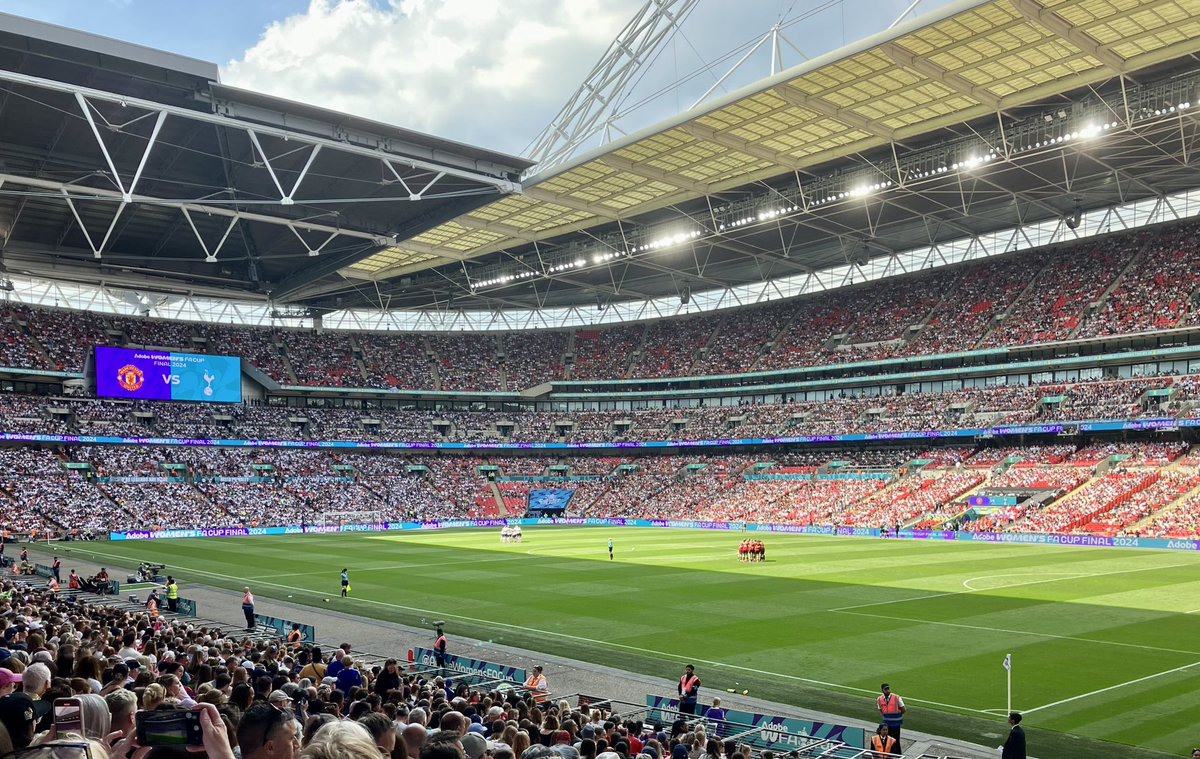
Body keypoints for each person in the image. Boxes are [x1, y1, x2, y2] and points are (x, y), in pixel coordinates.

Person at [876, 684, 905, 750]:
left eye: (888, 689)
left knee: (896, 740)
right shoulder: (879, 699)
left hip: (896, 724)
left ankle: (897, 755)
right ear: (882, 690)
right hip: (886, 724)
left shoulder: (896, 697)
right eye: (886, 689)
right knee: (886, 740)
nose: (888, 691)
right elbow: (881, 710)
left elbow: (903, 709)